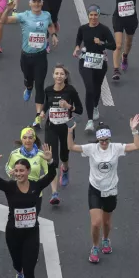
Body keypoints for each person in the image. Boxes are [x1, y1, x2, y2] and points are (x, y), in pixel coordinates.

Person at [0, 140, 54, 278]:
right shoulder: (10, 187)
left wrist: (50, 161)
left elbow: (50, 175)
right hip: (13, 232)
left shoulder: (36, 186)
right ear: (13, 172)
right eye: (16, 171)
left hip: (31, 233)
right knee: (17, 263)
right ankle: (17, 271)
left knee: (30, 270)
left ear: (28, 171)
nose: (19, 173)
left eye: (22, 171)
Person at [67, 115, 139, 263]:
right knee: (96, 223)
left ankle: (105, 239)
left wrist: (134, 131)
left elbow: (137, 146)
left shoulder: (116, 148)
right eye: (101, 141)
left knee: (106, 223)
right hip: (95, 189)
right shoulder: (91, 149)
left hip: (111, 190)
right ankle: (95, 247)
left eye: (106, 140)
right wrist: (69, 132)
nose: (104, 143)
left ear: (110, 139)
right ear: (98, 140)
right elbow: (71, 147)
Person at [2, 0, 54, 128]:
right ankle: (28, 88)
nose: (36, 4)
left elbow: (51, 25)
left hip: (41, 56)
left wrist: (53, 35)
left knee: (40, 85)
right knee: (29, 80)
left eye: (39, 2)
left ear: (42, 3)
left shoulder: (46, 15)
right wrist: (7, 9)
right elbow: (3, 21)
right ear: (30, 3)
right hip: (26, 56)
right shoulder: (23, 16)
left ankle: (38, 116)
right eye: (34, 1)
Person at [39, 64, 80, 205]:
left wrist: (68, 107)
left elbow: (79, 109)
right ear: (53, 75)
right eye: (56, 73)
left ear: (65, 76)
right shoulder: (48, 90)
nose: (59, 76)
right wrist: (43, 113)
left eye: (61, 74)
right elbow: (46, 105)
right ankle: (54, 193)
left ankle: (66, 169)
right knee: (52, 160)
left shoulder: (71, 91)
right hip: (51, 127)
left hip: (66, 128)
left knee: (64, 155)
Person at [72, 5, 116, 132]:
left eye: (95, 15)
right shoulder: (83, 28)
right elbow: (79, 38)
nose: (93, 17)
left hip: (100, 62)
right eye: (91, 15)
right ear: (88, 16)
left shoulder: (104, 29)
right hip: (85, 61)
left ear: (99, 15)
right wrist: (76, 47)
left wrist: (101, 43)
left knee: (96, 88)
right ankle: (90, 121)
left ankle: (95, 106)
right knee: (89, 88)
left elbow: (113, 46)